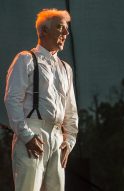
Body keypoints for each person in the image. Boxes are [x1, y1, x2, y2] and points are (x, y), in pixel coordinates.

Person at [4, 9, 78, 191]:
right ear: (43, 31)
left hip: (57, 138)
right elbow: (12, 99)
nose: (66, 33)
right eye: (60, 27)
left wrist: (69, 141)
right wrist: (27, 135)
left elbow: (71, 109)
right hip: (33, 131)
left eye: (66, 29)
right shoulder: (26, 59)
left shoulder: (65, 68)